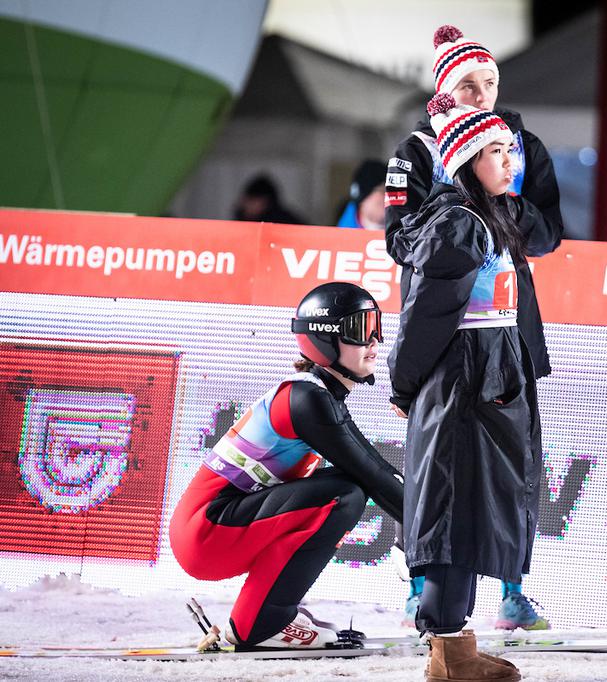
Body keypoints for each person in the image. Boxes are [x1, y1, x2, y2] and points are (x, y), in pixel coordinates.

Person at [384, 22, 561, 633]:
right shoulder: (414, 151)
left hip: (509, 328)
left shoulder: (516, 143)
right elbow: (398, 238)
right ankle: (427, 596)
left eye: (490, 82)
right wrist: (456, 218)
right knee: (439, 466)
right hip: (450, 326)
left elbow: (549, 232)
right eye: (467, 84)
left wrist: (502, 203)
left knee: (512, 463)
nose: (481, 94)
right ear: (444, 89)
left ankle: (510, 589)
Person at [168, 283, 403, 651]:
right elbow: (374, 475)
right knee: (344, 496)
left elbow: (377, 470)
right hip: (207, 532)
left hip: (212, 527)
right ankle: (263, 622)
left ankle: (262, 615)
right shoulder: (306, 400)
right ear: (325, 340)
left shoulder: (315, 394)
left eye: (377, 326)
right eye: (361, 329)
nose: (375, 341)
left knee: (345, 489)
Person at [233, 174, 307, 225]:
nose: (244, 204)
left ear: (263, 202)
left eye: (250, 200)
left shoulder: (285, 224)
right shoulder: (244, 223)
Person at [337, 159, 387, 229]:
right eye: (383, 190)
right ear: (363, 199)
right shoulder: (341, 235)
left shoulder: (403, 229)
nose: (389, 196)